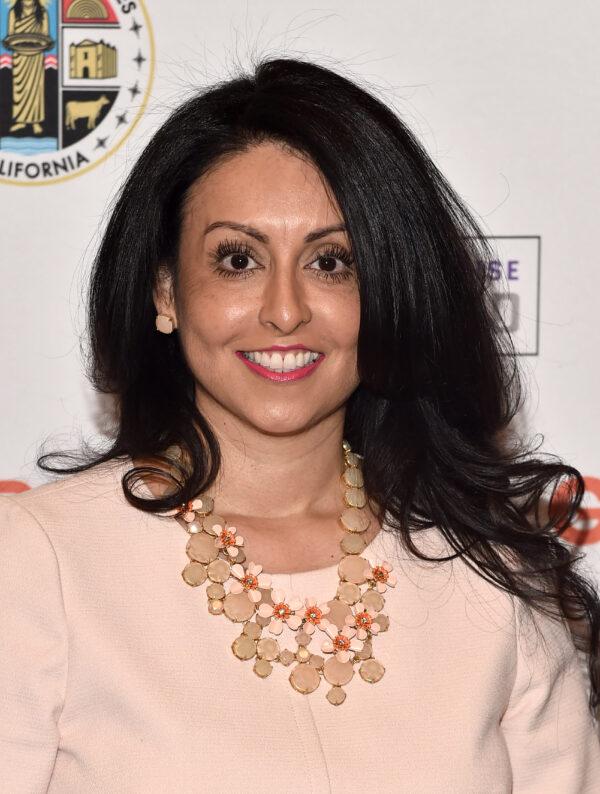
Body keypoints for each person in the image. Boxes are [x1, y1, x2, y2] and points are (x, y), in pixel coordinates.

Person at [1, 56, 599, 792]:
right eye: (238, 259)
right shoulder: (42, 563)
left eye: (332, 262)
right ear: (166, 292)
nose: (285, 310)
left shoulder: (490, 576)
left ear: (388, 293)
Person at [7, 0, 49, 135]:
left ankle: (36, 122)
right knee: (19, 89)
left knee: (36, 88)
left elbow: (46, 36)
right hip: (19, 55)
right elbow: (10, 35)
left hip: (36, 55)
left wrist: (37, 43)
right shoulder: (13, 12)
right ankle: (21, 121)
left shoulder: (43, 13)